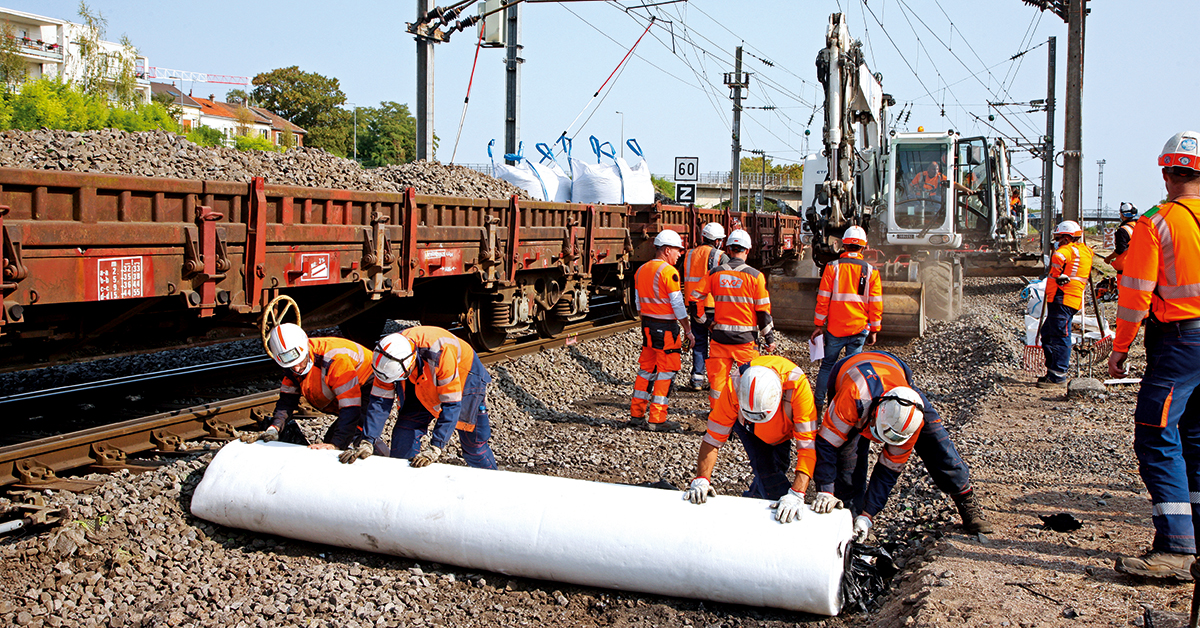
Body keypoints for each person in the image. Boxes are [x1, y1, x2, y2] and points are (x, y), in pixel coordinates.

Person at [1109, 131, 1200, 581]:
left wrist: (1120, 349)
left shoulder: (1157, 223)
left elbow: (1134, 297)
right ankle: (1196, 538)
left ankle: (1177, 547)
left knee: (1156, 435)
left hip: (1180, 342)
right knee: (1197, 440)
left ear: (1167, 173)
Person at [809, 351, 992, 539]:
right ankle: (845, 519)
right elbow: (826, 445)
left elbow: (889, 470)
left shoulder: (911, 423)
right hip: (848, 373)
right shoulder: (851, 397)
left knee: (937, 443)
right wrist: (826, 491)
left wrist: (869, 515)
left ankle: (966, 500)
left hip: (897, 375)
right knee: (846, 459)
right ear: (874, 415)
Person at [682, 355, 818, 524]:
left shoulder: (797, 386)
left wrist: (797, 493)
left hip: (783, 430)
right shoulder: (735, 386)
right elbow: (713, 439)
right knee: (768, 474)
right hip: (748, 429)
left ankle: (752, 498)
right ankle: (774, 522)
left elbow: (807, 445)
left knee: (780, 466)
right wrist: (701, 479)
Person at [348, 325, 498, 468]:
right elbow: (380, 401)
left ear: (409, 364)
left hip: (465, 378)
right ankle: (406, 489)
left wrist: (435, 447)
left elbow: (451, 405)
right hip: (420, 379)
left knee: (474, 447)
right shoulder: (387, 357)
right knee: (404, 433)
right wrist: (367, 440)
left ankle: (493, 487)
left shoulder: (440, 352)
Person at [242, 323, 385, 456]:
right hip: (352, 387)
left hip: (371, 386)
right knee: (337, 438)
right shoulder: (293, 364)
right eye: (291, 366)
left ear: (305, 349)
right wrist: (275, 428)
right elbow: (287, 401)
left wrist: (336, 445)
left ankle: (391, 464)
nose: (296, 369)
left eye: (299, 363)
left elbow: (350, 408)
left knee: (358, 436)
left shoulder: (335, 360)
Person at [694, 229, 775, 426]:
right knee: (749, 382)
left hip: (720, 338)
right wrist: (769, 339)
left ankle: (719, 421)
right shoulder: (756, 277)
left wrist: (706, 322)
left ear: (729, 249)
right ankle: (745, 421)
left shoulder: (714, 274)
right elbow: (763, 313)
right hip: (745, 342)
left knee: (718, 384)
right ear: (747, 250)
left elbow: (695, 300)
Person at [810, 225, 882, 411]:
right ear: (864, 247)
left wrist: (819, 325)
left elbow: (823, 298)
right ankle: (846, 409)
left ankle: (818, 407)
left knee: (827, 367)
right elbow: (875, 304)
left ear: (843, 245)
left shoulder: (832, 268)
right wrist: (874, 329)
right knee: (853, 371)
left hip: (835, 329)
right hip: (859, 329)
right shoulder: (871, 271)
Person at [630, 229, 694, 432]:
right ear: (667, 250)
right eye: (677, 250)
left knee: (646, 370)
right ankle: (657, 419)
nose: (680, 254)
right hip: (666, 329)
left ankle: (636, 414)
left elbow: (638, 304)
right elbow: (677, 305)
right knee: (666, 373)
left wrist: (649, 321)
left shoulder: (641, 270)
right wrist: (688, 330)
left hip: (647, 327)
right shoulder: (668, 272)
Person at [1037, 220, 1095, 388]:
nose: (1057, 240)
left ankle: (1058, 376)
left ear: (1067, 238)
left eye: (1059, 237)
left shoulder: (1065, 251)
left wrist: (1055, 272)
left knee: (1060, 335)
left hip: (1062, 297)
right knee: (1048, 332)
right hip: (1071, 298)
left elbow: (1056, 263)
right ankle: (1053, 371)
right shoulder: (1085, 251)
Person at [683, 222, 730, 391]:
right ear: (717, 240)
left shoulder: (689, 254)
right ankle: (714, 381)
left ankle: (696, 379)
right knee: (716, 344)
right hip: (714, 306)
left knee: (699, 341)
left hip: (695, 306)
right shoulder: (720, 256)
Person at [1103, 202, 1139, 275]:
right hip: (1139, 266)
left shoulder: (1123, 230)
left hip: (1125, 268)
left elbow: (1120, 249)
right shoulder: (1139, 227)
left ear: (1122, 214)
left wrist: (1109, 258)